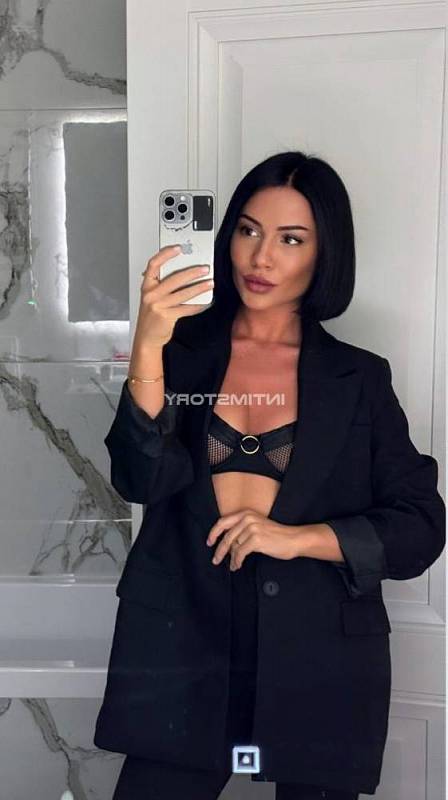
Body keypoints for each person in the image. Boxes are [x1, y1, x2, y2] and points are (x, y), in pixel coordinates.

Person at [94, 151, 446, 799]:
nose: (261, 258)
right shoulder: (180, 356)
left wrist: (295, 538)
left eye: (290, 239)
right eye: (249, 230)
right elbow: (140, 480)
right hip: (181, 641)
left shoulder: (359, 379)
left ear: (324, 253)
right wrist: (148, 342)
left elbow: (420, 527)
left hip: (319, 656)